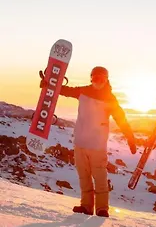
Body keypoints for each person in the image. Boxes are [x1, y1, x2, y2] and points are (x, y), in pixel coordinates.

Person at [41, 66, 136, 217]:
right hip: (80, 142)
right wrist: (49, 85)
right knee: (84, 176)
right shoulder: (83, 91)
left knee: (100, 177)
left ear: (106, 80)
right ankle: (86, 206)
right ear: (91, 78)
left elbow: (121, 119)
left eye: (102, 78)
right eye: (95, 77)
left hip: (97, 145)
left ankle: (102, 208)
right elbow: (65, 90)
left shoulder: (110, 99)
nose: (98, 81)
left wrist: (130, 137)